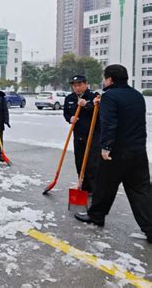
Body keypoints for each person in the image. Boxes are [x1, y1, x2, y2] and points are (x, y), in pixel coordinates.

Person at [75, 65, 152, 244]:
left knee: (104, 185)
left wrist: (106, 147)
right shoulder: (137, 95)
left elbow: (109, 123)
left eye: (105, 77)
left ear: (110, 79)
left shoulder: (110, 96)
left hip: (117, 152)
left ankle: (96, 216)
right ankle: (150, 228)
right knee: (141, 191)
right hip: (138, 151)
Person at [63, 75, 101, 194]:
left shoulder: (94, 97)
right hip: (78, 134)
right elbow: (66, 113)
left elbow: (100, 113)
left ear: (85, 84)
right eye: (75, 86)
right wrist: (70, 119)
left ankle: (93, 188)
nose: (77, 88)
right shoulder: (69, 98)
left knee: (91, 163)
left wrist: (87, 105)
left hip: (93, 134)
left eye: (80, 85)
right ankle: (83, 185)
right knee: (79, 161)